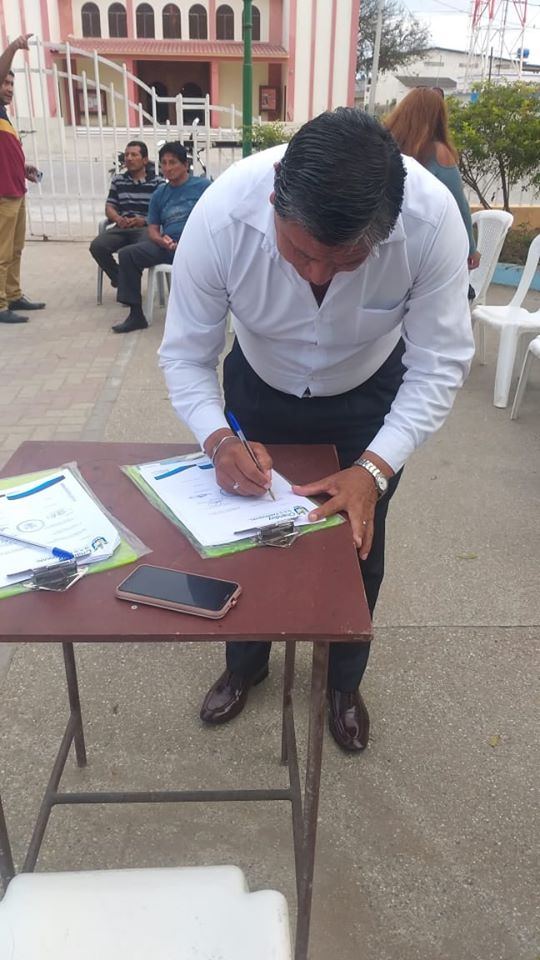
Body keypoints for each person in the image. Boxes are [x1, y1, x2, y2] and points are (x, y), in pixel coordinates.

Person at [159, 108, 475, 753]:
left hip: (368, 397)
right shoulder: (221, 218)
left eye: (347, 260)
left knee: (357, 546)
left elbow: (440, 362)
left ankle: (342, 680)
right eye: (301, 252)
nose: (318, 276)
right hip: (259, 390)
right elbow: (186, 354)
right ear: (275, 196)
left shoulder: (430, 219)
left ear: (387, 227)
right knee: (247, 534)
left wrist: (375, 468)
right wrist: (218, 440)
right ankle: (244, 664)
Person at [112, 141, 211, 333]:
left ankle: (200, 316)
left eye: (172, 162)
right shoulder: (159, 194)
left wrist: (196, 241)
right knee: (127, 254)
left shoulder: (202, 187)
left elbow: (216, 218)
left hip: (198, 247)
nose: (167, 168)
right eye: (164, 163)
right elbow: (153, 230)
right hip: (169, 246)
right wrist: (161, 241)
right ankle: (136, 315)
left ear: (185, 165)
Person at [384, 87, 481, 280]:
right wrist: (471, 249)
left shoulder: (384, 145)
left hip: (385, 241)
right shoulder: (440, 153)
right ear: (438, 117)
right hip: (425, 247)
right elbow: (458, 204)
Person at [0, 36, 46, 325]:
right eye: (4, 82)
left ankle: (13, 294)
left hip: (16, 191)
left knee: (15, 250)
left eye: (11, 84)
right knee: (1, 252)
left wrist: (22, 168)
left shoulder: (5, 117)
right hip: (3, 196)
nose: (8, 88)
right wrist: (14, 48)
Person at [89, 140, 162, 291]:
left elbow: (163, 212)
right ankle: (121, 280)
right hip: (122, 227)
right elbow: (110, 206)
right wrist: (117, 219)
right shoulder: (118, 180)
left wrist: (144, 220)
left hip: (145, 228)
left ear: (145, 160)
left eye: (134, 155)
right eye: (127, 155)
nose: (129, 158)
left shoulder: (157, 183)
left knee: (137, 251)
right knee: (97, 246)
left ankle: (127, 287)